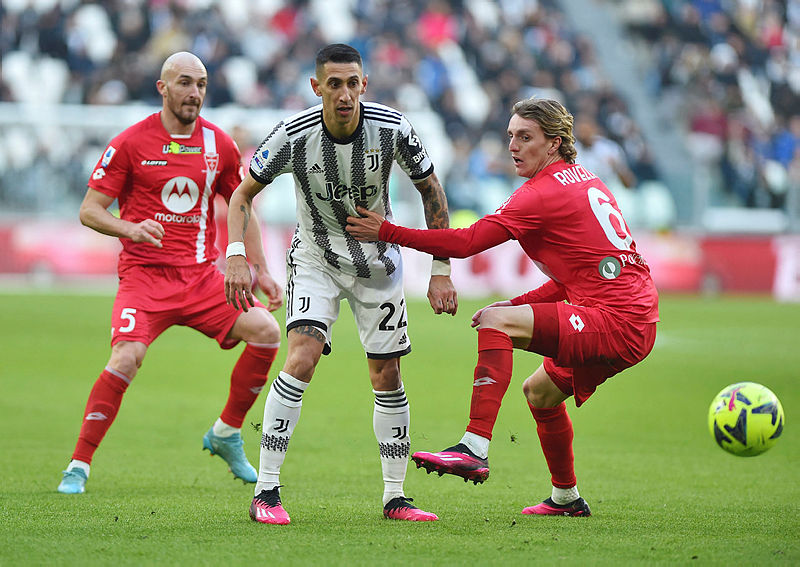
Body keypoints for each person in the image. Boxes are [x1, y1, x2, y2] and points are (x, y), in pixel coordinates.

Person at [347, 97, 659, 517]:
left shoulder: (541, 193)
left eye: (525, 137)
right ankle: (566, 497)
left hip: (617, 319)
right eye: (510, 136)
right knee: (540, 392)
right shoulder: (586, 180)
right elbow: (573, 280)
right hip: (634, 312)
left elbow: (467, 242)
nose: (513, 145)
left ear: (554, 143)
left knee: (497, 323)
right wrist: (516, 303)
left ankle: (474, 447)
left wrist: (386, 230)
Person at [224, 43, 457, 524]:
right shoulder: (293, 134)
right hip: (315, 260)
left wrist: (440, 269)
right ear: (317, 87)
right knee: (302, 355)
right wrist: (236, 255)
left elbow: (431, 188)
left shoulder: (393, 128)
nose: (345, 93)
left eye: (353, 83)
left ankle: (396, 497)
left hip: (380, 265)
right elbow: (243, 192)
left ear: (364, 85)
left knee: (386, 376)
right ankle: (266, 491)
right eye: (335, 84)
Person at [57, 52, 283, 495]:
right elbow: (90, 210)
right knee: (126, 358)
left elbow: (241, 205)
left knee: (267, 330)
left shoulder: (218, 144)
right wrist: (130, 228)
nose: (194, 93)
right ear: (163, 88)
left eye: (201, 84)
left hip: (200, 279)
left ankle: (225, 433)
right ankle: (79, 464)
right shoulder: (130, 143)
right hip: (144, 279)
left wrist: (260, 269)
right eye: (184, 83)